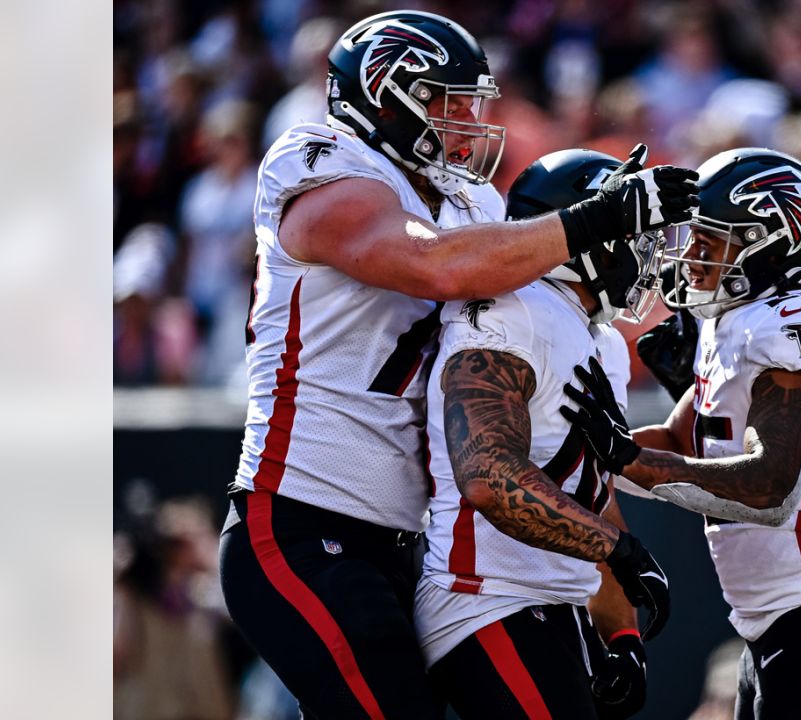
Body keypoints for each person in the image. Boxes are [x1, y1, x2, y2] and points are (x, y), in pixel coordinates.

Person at [218, 10, 698, 720]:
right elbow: (431, 265)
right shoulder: (324, 161)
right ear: (384, 92)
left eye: (472, 100)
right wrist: (596, 220)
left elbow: (555, 443)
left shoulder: (471, 200)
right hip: (296, 517)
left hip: (403, 538)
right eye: (445, 100)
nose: (467, 119)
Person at [562, 148, 801, 719]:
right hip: (774, 622)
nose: (692, 257)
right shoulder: (732, 320)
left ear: (773, 243)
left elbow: (771, 487)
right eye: (693, 237)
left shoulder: (798, 326)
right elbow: (677, 445)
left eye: (711, 241)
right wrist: (576, 449)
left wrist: (621, 454)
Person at [417, 149, 670, 719]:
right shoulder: (512, 308)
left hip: (556, 605)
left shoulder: (598, 337)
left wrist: (622, 636)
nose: (646, 249)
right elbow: (487, 476)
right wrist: (619, 551)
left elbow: (593, 496)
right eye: (628, 229)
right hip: (484, 599)